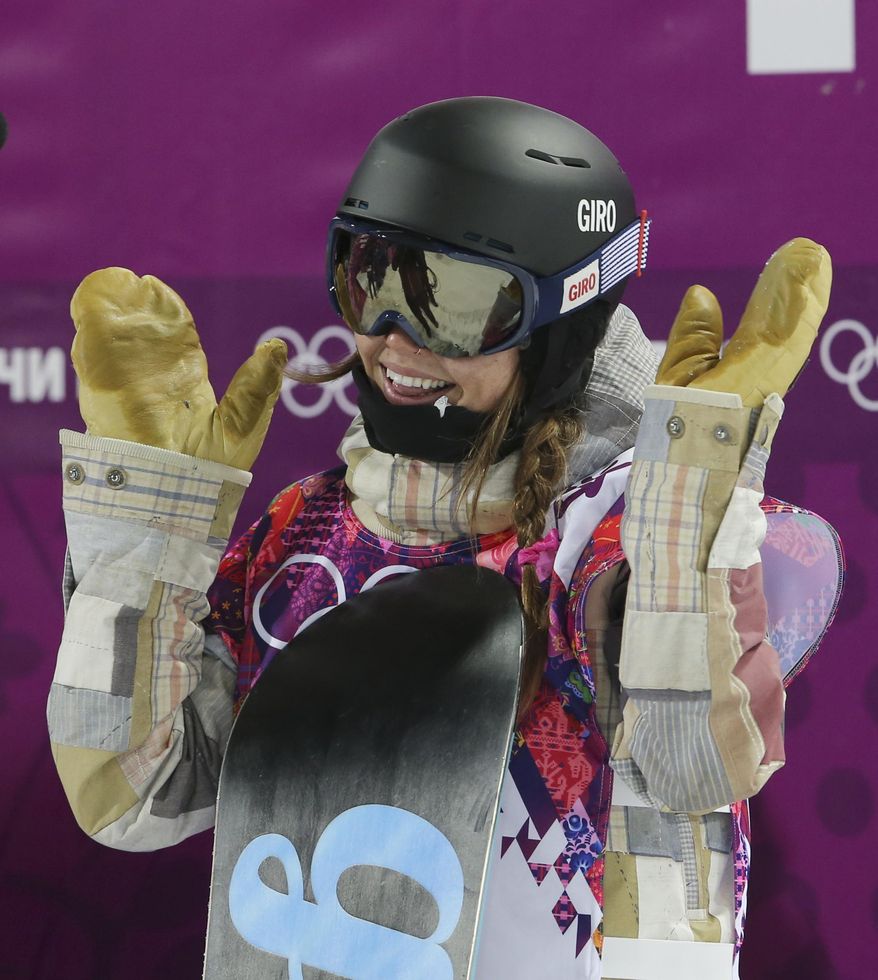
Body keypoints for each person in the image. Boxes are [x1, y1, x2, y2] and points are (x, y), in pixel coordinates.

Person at [48, 97, 840, 978]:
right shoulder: (309, 533)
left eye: (456, 302)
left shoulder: (611, 538)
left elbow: (689, 765)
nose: (395, 338)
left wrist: (686, 508)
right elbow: (130, 793)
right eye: (372, 277)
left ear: (561, 321)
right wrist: (146, 532)